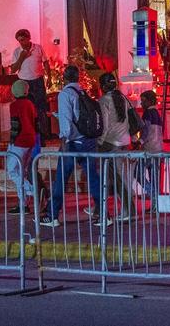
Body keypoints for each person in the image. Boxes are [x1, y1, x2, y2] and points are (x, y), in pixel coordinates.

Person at [39, 65, 104, 228]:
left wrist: (63, 141)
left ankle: (52, 214)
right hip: (87, 141)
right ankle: (102, 213)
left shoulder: (65, 94)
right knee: (93, 178)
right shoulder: (82, 92)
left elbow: (67, 125)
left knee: (61, 179)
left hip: (72, 143)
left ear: (64, 78)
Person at [97, 73, 135, 221]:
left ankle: (128, 212)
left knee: (117, 179)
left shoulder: (104, 100)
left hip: (111, 143)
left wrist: (100, 142)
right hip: (125, 141)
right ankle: (99, 207)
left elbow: (105, 126)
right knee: (120, 178)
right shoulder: (123, 98)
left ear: (102, 86)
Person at [6, 29, 50, 143]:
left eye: (23, 40)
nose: (21, 43)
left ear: (29, 38)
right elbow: (13, 70)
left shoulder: (38, 48)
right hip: (24, 84)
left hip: (38, 81)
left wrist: (49, 77)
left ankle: (42, 136)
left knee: (40, 109)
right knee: (26, 110)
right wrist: (22, 57)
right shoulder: (17, 52)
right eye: (19, 41)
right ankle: (29, 134)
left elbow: (45, 62)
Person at [6, 80, 39, 215]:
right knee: (22, 171)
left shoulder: (15, 105)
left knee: (12, 170)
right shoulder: (30, 104)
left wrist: (11, 141)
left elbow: (15, 125)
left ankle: (31, 190)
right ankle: (23, 204)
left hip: (19, 142)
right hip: (31, 140)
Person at [137, 90, 163, 202]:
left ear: (150, 101)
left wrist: (139, 141)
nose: (141, 104)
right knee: (154, 177)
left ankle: (152, 194)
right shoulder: (157, 113)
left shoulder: (147, 113)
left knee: (137, 173)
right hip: (158, 148)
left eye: (143, 101)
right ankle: (156, 203)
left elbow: (146, 130)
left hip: (149, 149)